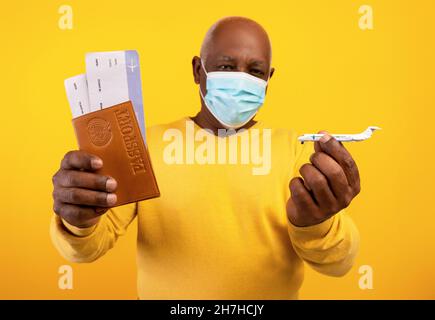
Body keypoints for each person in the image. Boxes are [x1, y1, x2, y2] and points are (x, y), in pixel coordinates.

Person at [51, 16, 360, 299]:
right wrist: (79, 220)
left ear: (269, 78)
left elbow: (339, 262)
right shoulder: (145, 146)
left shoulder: (295, 150)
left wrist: (315, 226)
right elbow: (88, 247)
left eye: (255, 71)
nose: (241, 80)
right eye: (226, 67)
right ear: (199, 70)